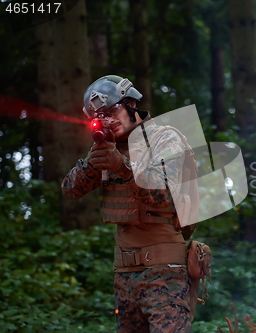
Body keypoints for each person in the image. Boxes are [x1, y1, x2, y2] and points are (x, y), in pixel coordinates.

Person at [61, 75, 195, 333]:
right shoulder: (108, 147)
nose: (108, 120)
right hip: (124, 274)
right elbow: (70, 190)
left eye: (112, 111)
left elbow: (164, 196)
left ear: (131, 103)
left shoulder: (164, 139)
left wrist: (120, 166)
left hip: (164, 271)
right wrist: (94, 162)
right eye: (101, 116)